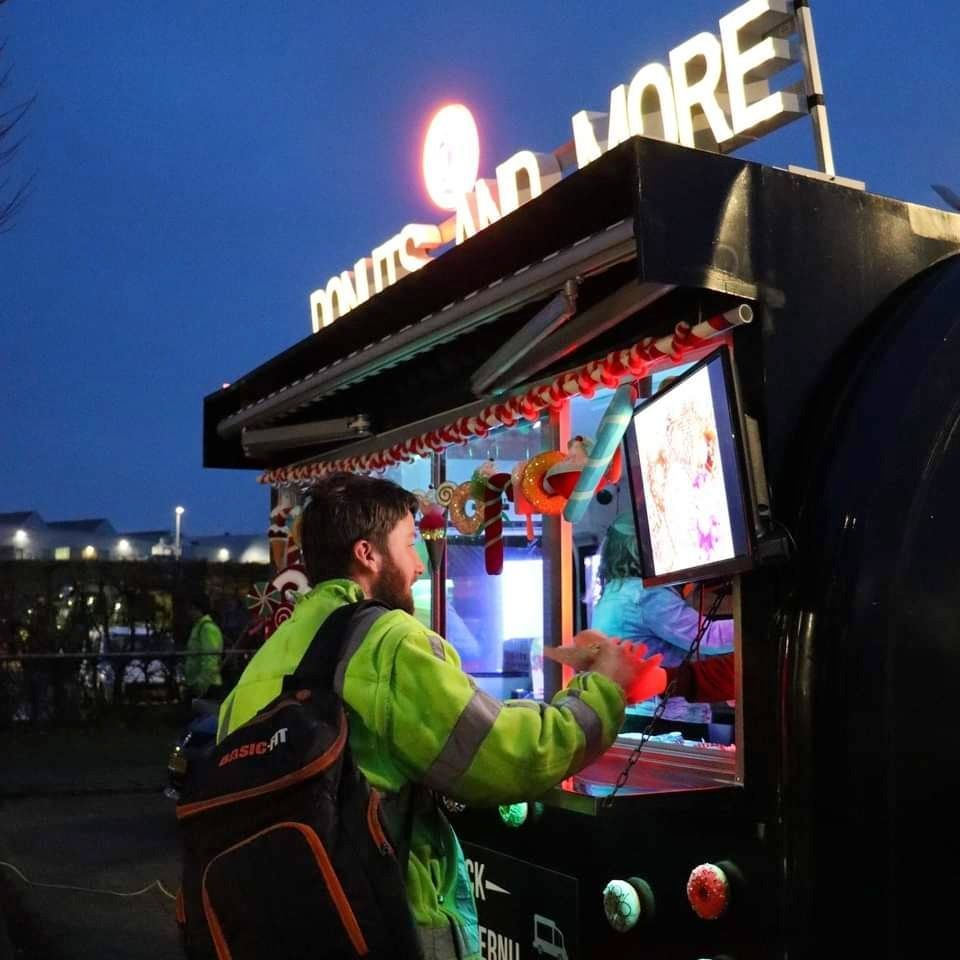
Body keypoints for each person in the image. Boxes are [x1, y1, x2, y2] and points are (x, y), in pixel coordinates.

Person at [217, 472, 661, 960]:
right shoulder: (386, 641)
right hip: (386, 922)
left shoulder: (265, 660)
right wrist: (604, 690)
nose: (420, 567)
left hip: (279, 928)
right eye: (410, 544)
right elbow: (506, 754)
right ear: (368, 553)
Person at [184, 595, 223, 701]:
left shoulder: (207, 628)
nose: (188, 613)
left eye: (191, 609)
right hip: (197, 683)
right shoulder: (198, 627)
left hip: (207, 685)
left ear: (198, 609)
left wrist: (202, 684)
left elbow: (210, 659)